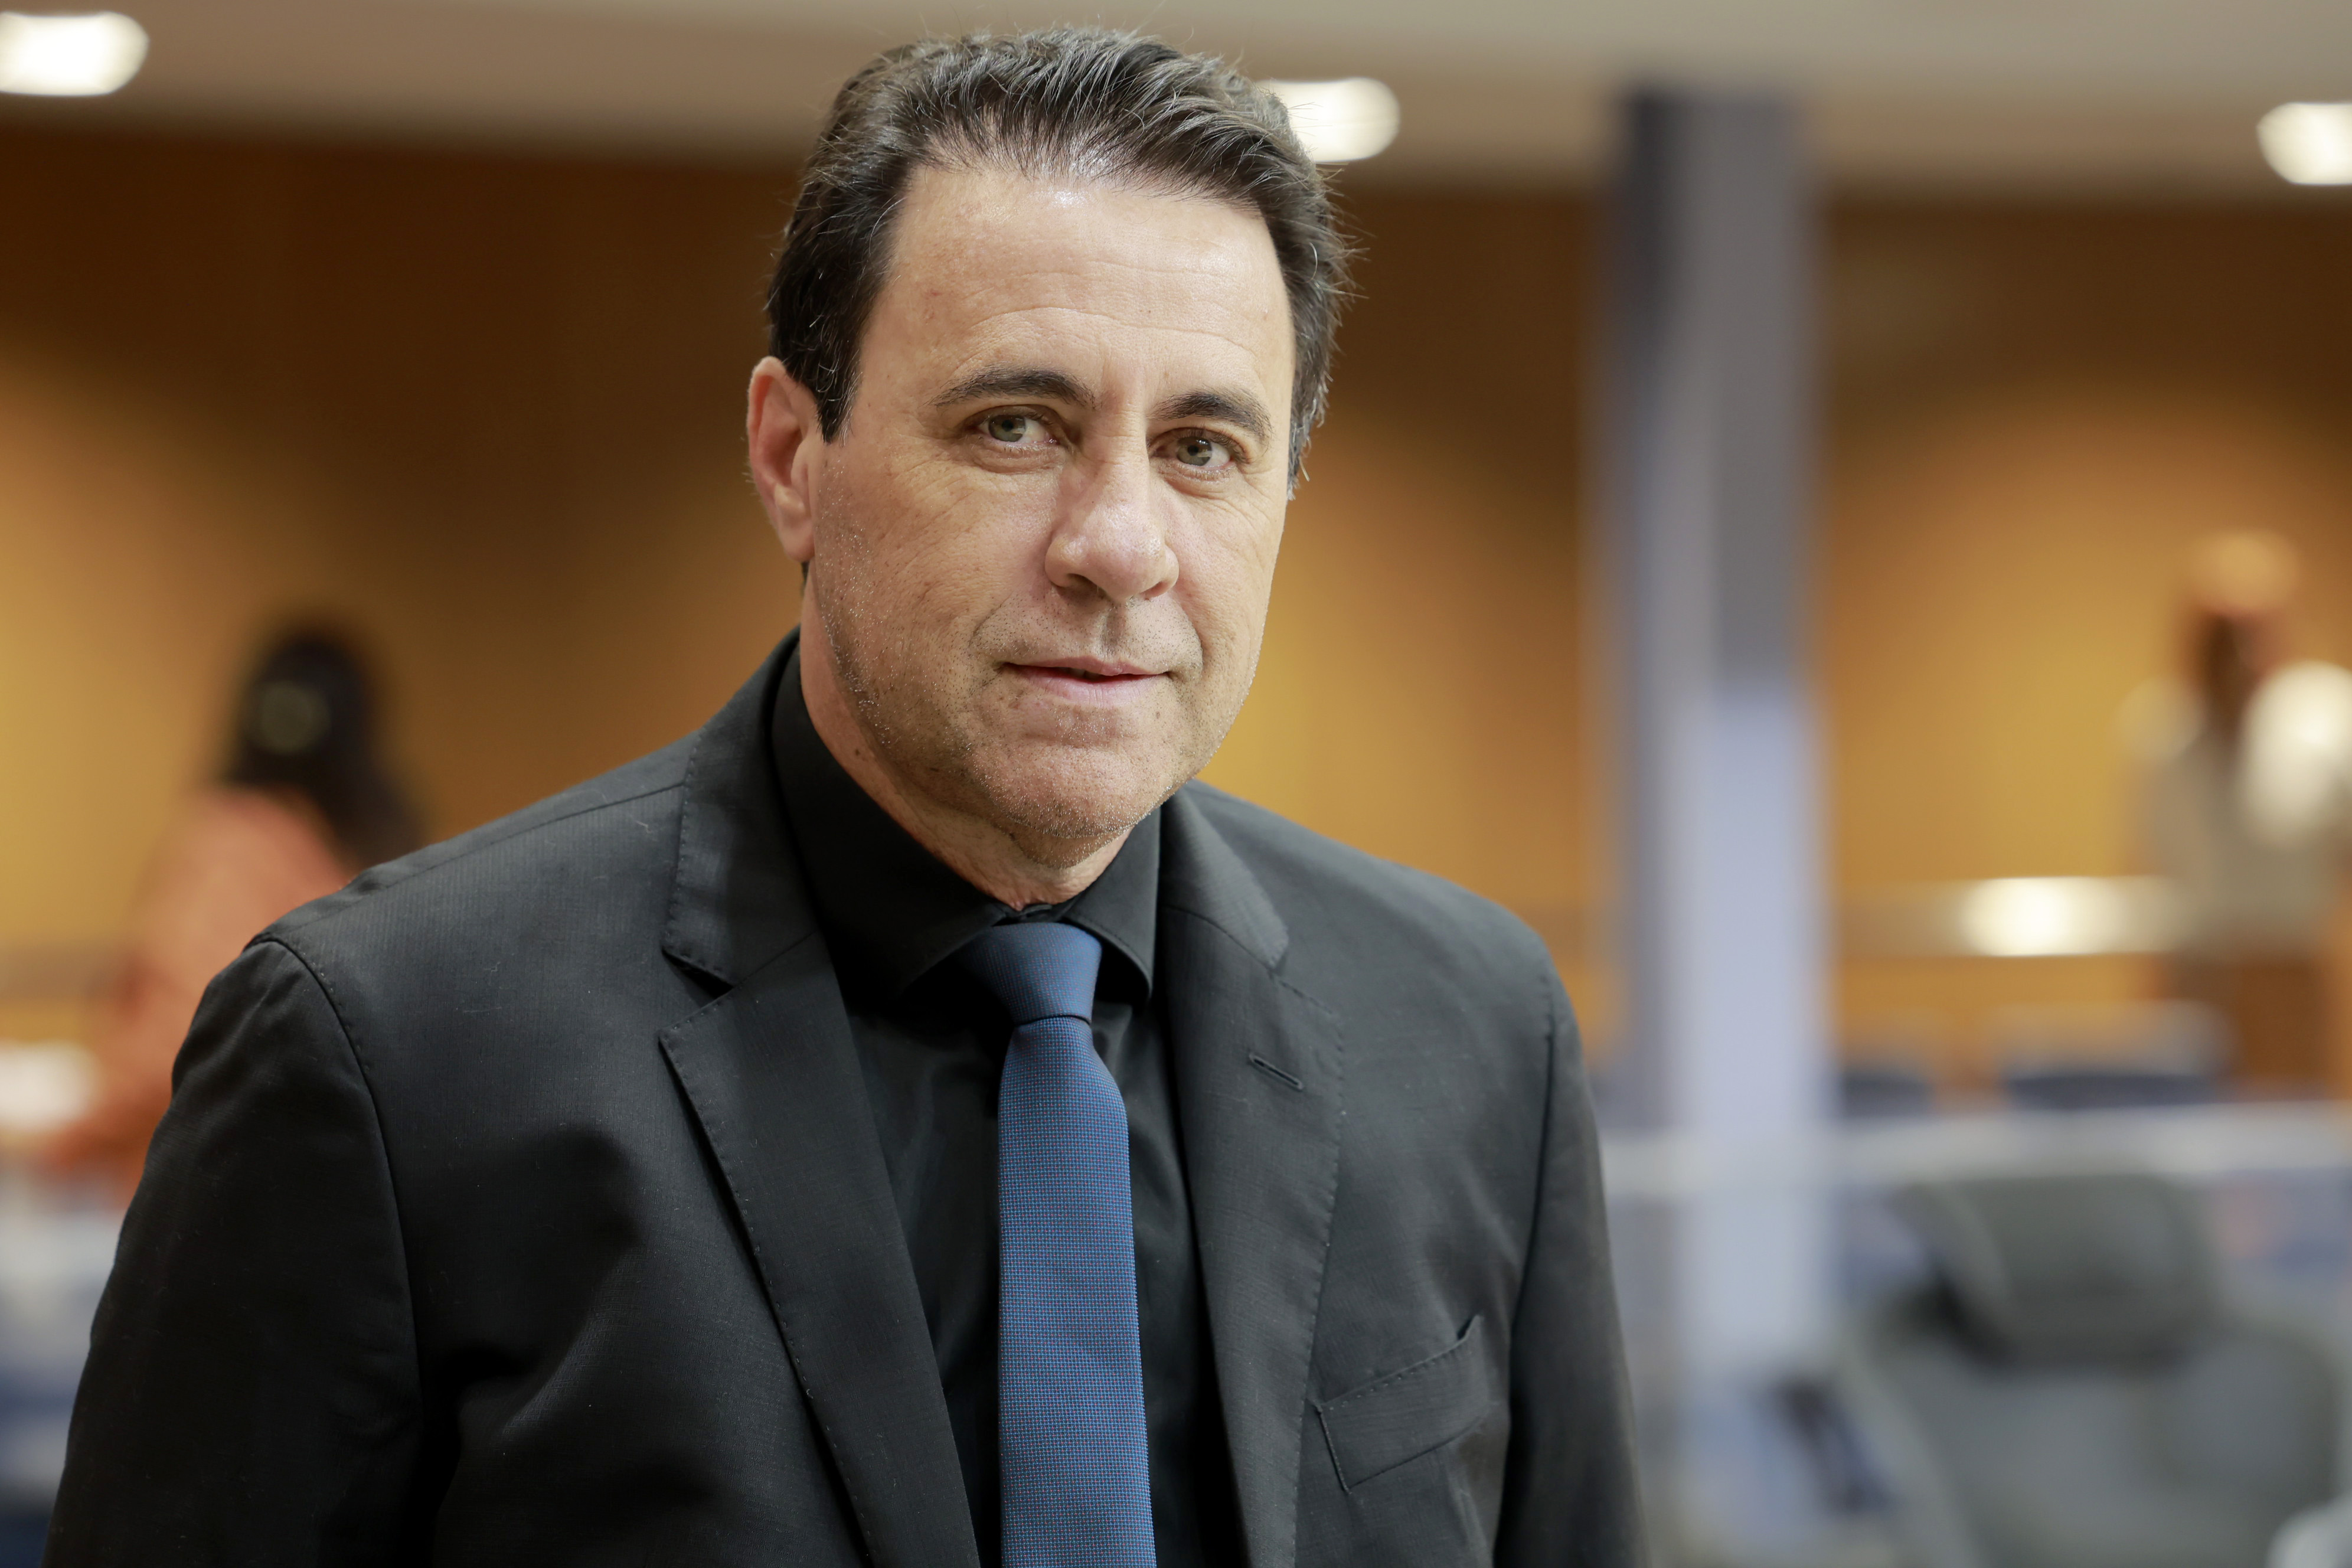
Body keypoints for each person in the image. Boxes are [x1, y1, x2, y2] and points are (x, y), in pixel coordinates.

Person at [48, 30, 1639, 1568]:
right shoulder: (387, 1061)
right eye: (1014, 425)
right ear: (792, 458)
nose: (1120, 545)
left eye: (1203, 446)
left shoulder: (1473, 1032)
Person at [41, 627, 420, 1196]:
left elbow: (183, 1037)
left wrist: (70, 1143)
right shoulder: (376, 853)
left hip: (222, 1195)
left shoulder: (230, 844)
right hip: (345, 1188)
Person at [2124, 530, 2352, 1089]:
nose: (2237, 651)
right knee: (2191, 1114)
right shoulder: (2159, 727)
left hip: (2285, 964)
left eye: (2250, 630)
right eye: (2221, 632)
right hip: (2193, 966)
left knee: (2289, 1113)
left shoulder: (2328, 716)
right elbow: (2146, 860)